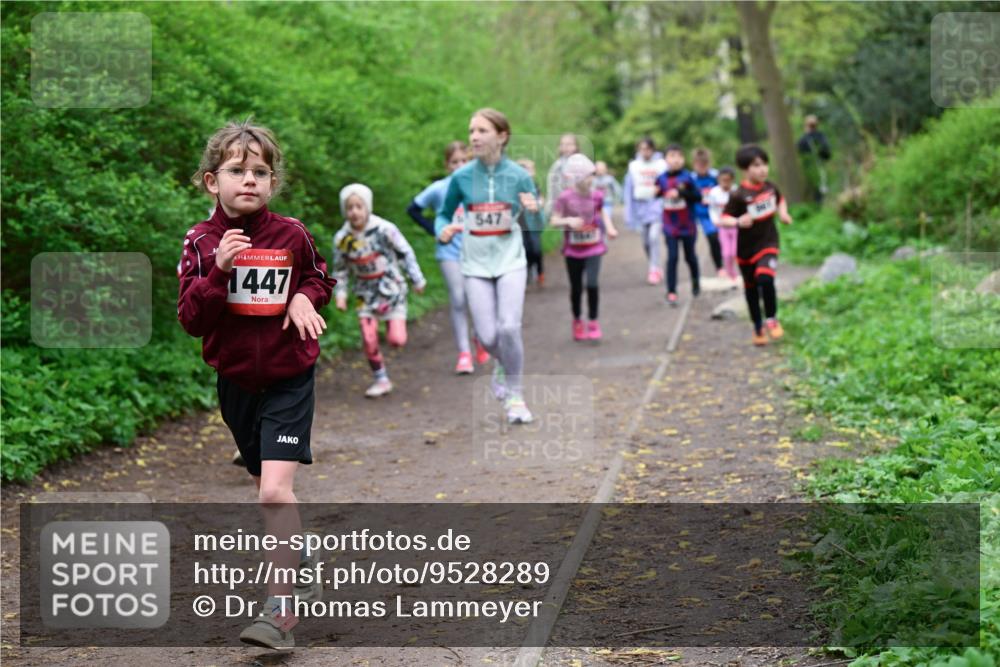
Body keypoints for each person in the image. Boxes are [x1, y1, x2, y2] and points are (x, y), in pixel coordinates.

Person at [178, 118, 334, 650]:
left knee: (273, 490)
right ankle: (300, 553)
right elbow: (191, 319)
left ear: (272, 181)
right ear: (211, 181)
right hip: (237, 382)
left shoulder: (291, 234)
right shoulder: (200, 243)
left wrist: (304, 297)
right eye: (237, 170)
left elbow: (319, 276)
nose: (250, 180)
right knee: (268, 491)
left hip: (290, 376)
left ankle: (280, 617)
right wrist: (218, 273)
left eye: (260, 171)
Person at [436, 108, 540, 424]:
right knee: (489, 336)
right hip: (475, 264)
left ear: (502, 136)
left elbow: (537, 224)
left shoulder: (519, 176)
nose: (474, 137)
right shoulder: (461, 177)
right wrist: (443, 228)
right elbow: (444, 213)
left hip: (510, 261)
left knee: (509, 326)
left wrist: (533, 210)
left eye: (481, 131)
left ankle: (516, 394)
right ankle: (501, 364)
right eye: (471, 131)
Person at [333, 184, 426, 397]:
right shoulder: (342, 239)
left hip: (391, 288)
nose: (354, 212)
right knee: (368, 336)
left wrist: (417, 280)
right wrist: (341, 294)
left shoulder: (385, 229)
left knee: (396, 340)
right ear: (344, 211)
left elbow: (405, 253)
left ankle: (393, 329)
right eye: (350, 208)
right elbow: (340, 269)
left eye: (359, 206)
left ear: (367, 207)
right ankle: (381, 379)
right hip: (364, 292)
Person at [407, 142, 490, 373]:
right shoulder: (438, 189)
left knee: (478, 299)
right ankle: (464, 353)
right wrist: (435, 229)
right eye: (455, 162)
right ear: (447, 166)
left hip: (477, 251)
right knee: (459, 298)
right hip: (449, 252)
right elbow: (412, 209)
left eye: (465, 161)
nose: (460, 165)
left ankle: (479, 338)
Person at [720, 144, 793, 346]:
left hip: (768, 242)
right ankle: (757, 327)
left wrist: (783, 213)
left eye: (765, 164)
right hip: (745, 249)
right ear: (745, 169)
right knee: (751, 288)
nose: (763, 170)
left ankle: (771, 319)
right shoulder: (738, 195)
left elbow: (780, 199)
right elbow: (724, 218)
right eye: (757, 165)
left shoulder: (770, 187)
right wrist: (737, 222)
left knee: (765, 278)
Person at [549, 153, 618, 341]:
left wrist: (610, 228)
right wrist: (568, 220)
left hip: (594, 247)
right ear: (575, 178)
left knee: (593, 284)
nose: (590, 180)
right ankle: (577, 319)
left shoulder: (597, 195)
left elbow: (603, 213)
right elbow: (554, 220)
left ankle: (593, 321)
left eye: (592, 175)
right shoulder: (564, 198)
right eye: (586, 176)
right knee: (576, 287)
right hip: (573, 250)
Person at [655, 144, 702, 306]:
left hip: (688, 225)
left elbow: (698, 196)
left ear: (683, 159)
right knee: (672, 257)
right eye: (672, 156)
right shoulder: (660, 178)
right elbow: (657, 194)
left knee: (690, 257)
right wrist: (657, 193)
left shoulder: (688, 178)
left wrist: (681, 193)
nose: (675, 160)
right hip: (670, 226)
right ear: (665, 159)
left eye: (679, 156)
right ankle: (671, 291)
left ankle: (696, 281)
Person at [623, 137, 667, 285]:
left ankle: (653, 269)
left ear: (653, 149)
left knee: (654, 237)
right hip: (640, 209)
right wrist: (629, 215)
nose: (645, 152)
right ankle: (655, 265)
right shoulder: (633, 167)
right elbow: (628, 191)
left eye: (648, 148)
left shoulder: (661, 165)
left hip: (657, 206)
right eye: (642, 149)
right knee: (646, 242)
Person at [691, 148, 724, 277]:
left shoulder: (716, 176)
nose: (702, 167)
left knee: (720, 239)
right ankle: (719, 267)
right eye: (699, 164)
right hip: (700, 215)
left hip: (716, 212)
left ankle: (723, 264)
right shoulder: (691, 179)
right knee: (712, 237)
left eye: (704, 164)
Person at [516, 157, 547, 288]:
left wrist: (538, 204)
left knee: (536, 249)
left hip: (533, 223)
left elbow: (541, 200)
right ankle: (528, 272)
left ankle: (540, 271)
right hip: (520, 224)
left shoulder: (535, 186)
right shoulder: (515, 187)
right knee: (525, 248)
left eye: (528, 170)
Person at [707, 166, 739, 285]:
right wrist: (715, 220)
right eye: (722, 180)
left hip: (735, 226)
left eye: (728, 180)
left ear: (732, 180)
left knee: (735, 252)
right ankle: (730, 274)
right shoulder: (714, 192)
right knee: (726, 253)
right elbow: (712, 209)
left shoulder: (736, 192)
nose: (725, 183)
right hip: (722, 227)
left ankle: (736, 272)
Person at [797, 114, 832, 203]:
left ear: (806, 125)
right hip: (822, 168)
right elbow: (827, 153)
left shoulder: (803, 140)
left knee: (816, 194)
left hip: (810, 171)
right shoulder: (821, 136)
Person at [544, 133, 579, 217]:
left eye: (569, 144)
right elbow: (552, 188)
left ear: (576, 146)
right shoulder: (558, 166)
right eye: (562, 144)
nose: (565, 147)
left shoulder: (581, 162)